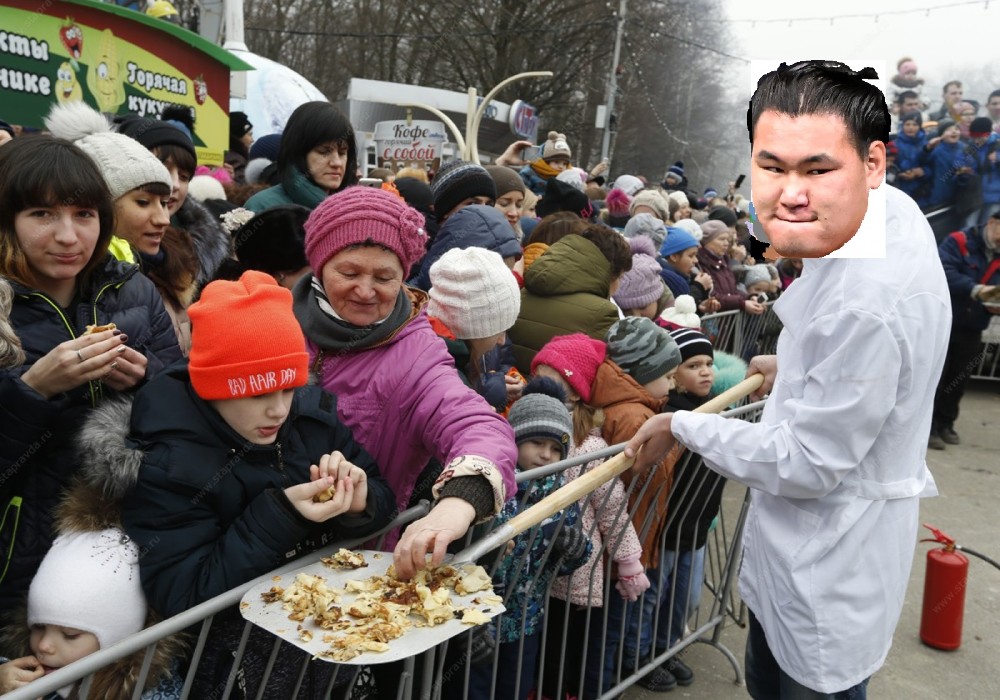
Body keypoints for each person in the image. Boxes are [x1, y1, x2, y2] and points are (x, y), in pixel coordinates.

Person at [626, 60, 951, 699]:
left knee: (803, 682)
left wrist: (684, 425)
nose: (789, 197)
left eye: (817, 169)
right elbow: (841, 339)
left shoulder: (865, 305)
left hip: (828, 562)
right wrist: (800, 362)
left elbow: (806, 463)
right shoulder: (882, 210)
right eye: (772, 166)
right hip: (808, 553)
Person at [121, 270, 395, 697]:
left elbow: (380, 491)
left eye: (288, 388)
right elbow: (184, 594)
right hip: (235, 667)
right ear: (213, 388)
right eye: (255, 395)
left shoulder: (310, 416)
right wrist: (280, 517)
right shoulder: (170, 460)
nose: (278, 411)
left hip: (329, 642)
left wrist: (360, 502)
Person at [291, 186, 517, 581]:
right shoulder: (273, 320)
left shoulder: (417, 356)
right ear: (320, 264)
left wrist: (457, 503)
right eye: (349, 272)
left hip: (350, 573)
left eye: (384, 277)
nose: (365, 291)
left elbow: (477, 425)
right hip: (255, 557)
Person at [0, 136, 182, 614]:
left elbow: (190, 415)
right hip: (19, 565)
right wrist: (32, 391)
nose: (68, 236)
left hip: (127, 549)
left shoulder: (133, 289)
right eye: (42, 214)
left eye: (84, 214)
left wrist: (148, 380)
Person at [456, 378, 590, 700]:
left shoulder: (562, 494)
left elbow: (560, 566)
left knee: (513, 687)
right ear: (514, 440)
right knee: (472, 688)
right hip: (479, 618)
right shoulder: (493, 487)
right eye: (537, 443)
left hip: (526, 619)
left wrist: (575, 551)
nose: (546, 455)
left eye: (557, 448)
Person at [930, 211, 1000, 449]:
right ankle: (927, 430)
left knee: (959, 379)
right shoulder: (959, 241)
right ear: (991, 223)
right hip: (944, 321)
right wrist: (976, 289)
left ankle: (946, 423)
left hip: (973, 326)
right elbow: (942, 271)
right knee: (935, 378)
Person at [427, 247, 524, 414]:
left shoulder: (442, 353)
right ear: (472, 329)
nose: (501, 341)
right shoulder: (443, 380)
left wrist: (488, 388)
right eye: (498, 331)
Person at [244, 102, 359, 212]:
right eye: (324, 152)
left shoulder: (356, 208)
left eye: (342, 153)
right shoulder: (263, 207)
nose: (337, 163)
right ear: (298, 153)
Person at [519, 131, 573, 196]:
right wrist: (534, 199)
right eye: (556, 162)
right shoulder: (530, 172)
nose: (561, 166)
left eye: (564, 164)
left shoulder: (569, 177)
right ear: (546, 161)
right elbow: (521, 192)